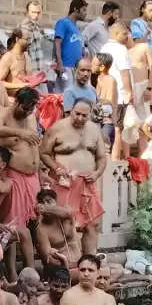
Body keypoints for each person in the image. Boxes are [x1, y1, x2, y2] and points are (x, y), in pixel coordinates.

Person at [40, 98, 107, 257]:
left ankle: (90, 261)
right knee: (66, 224)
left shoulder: (94, 130)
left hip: (87, 183)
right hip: (64, 183)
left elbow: (101, 157)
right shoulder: (57, 128)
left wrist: (97, 173)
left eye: (85, 115)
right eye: (77, 114)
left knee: (93, 224)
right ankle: (71, 262)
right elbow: (43, 153)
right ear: (71, 111)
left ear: (90, 115)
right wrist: (56, 167)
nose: (80, 118)